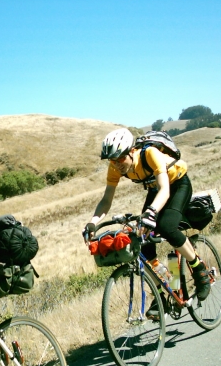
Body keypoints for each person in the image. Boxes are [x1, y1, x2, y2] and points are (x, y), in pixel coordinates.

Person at [83, 128, 210, 318]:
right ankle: (162, 294)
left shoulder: (150, 154)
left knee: (167, 227)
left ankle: (200, 270)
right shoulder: (115, 167)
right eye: (113, 161)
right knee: (141, 243)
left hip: (177, 185)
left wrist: (151, 213)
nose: (117, 165)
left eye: (119, 159)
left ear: (131, 151)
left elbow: (165, 190)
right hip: (154, 189)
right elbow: (107, 199)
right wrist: (93, 222)